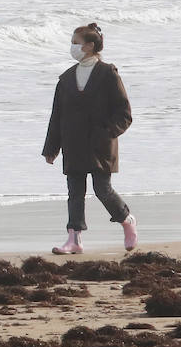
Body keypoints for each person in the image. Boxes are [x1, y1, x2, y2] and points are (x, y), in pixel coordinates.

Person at [41, 23, 138, 255]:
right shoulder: (65, 79)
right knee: (74, 192)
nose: (73, 47)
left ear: (90, 46)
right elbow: (57, 116)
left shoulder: (108, 74)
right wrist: (51, 148)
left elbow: (124, 113)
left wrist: (107, 133)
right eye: (72, 42)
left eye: (76, 42)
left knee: (102, 189)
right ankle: (74, 239)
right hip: (72, 144)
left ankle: (126, 220)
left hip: (100, 145)